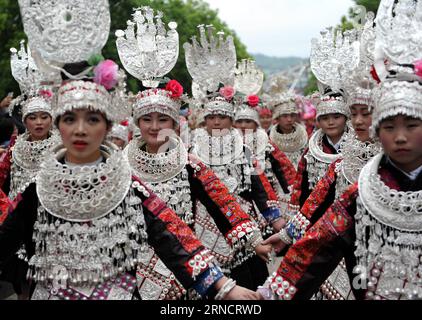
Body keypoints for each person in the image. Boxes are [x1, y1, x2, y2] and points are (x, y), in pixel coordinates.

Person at [124, 80, 266, 299]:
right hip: (133, 268)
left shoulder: (189, 164)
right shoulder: (120, 168)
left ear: (174, 124)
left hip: (184, 265)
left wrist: (254, 241)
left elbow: (222, 202)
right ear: (137, 123)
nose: (154, 127)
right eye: (146, 119)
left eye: (163, 119)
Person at [262, 86, 381, 300]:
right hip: (331, 233)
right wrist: (288, 234)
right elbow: (311, 201)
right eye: (355, 114)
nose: (360, 121)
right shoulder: (335, 162)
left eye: (366, 114)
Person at [234, 96, 297, 223]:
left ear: (256, 124)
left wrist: (293, 192)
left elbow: (282, 167)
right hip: (238, 196)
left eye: (248, 121)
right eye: (239, 121)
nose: (243, 125)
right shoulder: (229, 142)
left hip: (266, 194)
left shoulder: (264, 142)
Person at [269, 93, 309, 169]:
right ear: (277, 118)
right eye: (285, 116)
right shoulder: (268, 138)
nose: (289, 119)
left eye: (292, 115)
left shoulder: (305, 136)